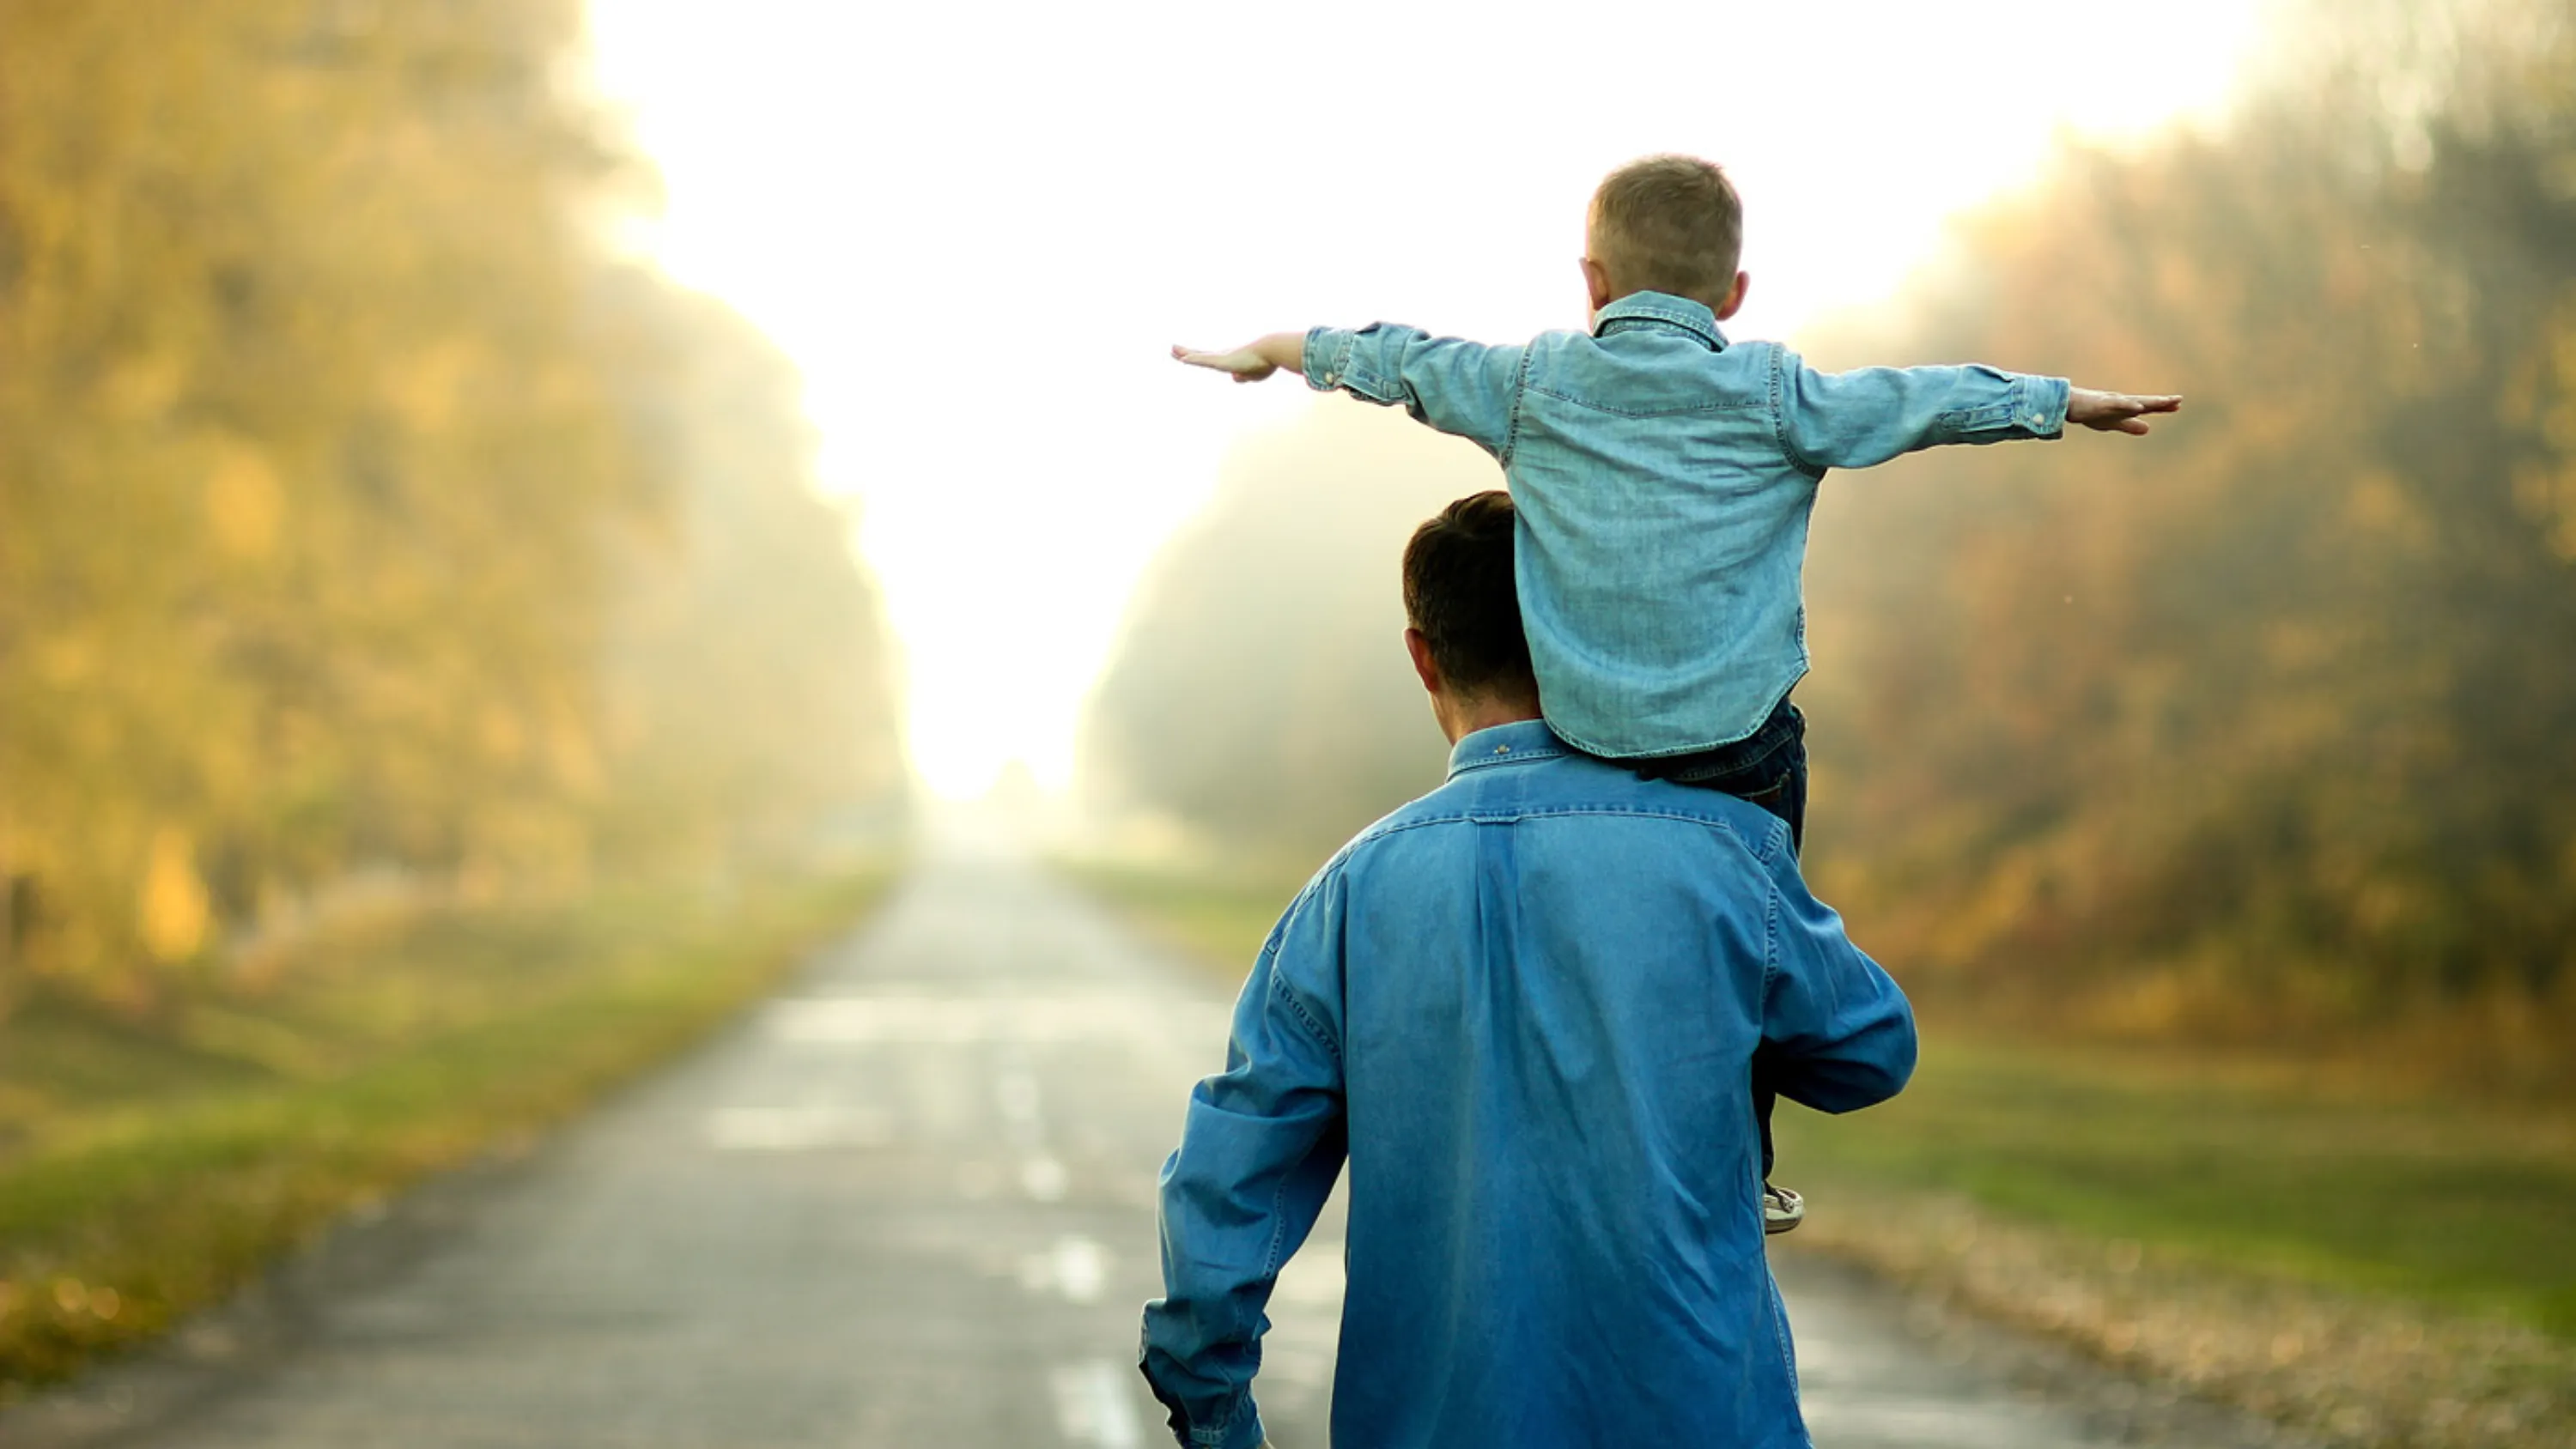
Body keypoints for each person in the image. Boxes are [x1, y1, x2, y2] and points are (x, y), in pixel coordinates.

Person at [1171, 153, 2180, 1231]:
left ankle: (1565, 1113)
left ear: (1592, 281)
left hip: (1585, 744)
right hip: (1740, 755)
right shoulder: (1780, 393)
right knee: (1750, 952)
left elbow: (1404, 360)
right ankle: (1736, 1165)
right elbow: (1917, 402)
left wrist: (1278, 353)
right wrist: (2059, 401)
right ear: (1734, 295)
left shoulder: (1532, 386)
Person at [1138, 491, 1918, 1449]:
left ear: (1423, 655)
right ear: (1590, 629)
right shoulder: (1727, 855)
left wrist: (1217, 1413)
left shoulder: (1346, 897)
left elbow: (1225, 1197)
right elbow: (1873, 1051)